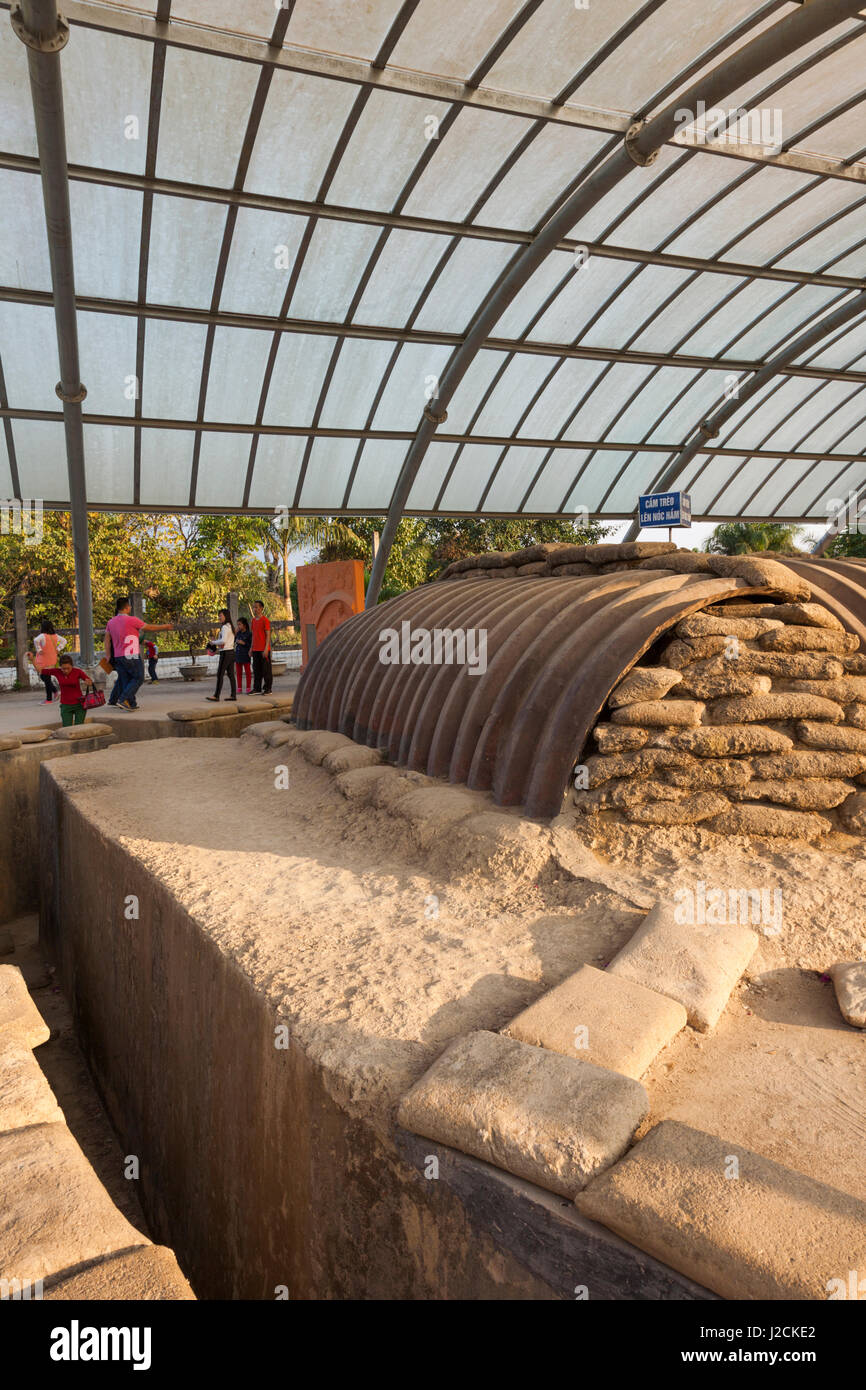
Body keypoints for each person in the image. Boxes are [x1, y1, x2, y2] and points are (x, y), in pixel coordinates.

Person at [104, 597, 174, 711]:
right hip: (131, 654)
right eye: (130, 606)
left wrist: (108, 655)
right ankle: (123, 699)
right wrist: (166, 626)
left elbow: (106, 640)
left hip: (118, 656)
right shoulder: (132, 620)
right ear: (127, 608)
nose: (130, 608)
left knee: (126, 679)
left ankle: (131, 703)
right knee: (138, 678)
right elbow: (149, 628)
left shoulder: (110, 622)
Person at [41, 653, 94, 727]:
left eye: (68, 668)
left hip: (79, 705)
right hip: (65, 706)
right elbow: (41, 671)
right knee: (67, 728)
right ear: (60, 667)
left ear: (72, 666)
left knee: (79, 728)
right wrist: (32, 660)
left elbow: (89, 680)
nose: (66, 670)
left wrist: (88, 682)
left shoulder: (77, 671)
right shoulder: (57, 672)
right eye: (63, 668)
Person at [28, 620, 67, 702]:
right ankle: (55, 691)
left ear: (43, 627)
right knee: (44, 677)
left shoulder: (42, 636)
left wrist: (39, 649)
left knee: (46, 678)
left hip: (44, 659)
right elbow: (64, 641)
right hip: (52, 658)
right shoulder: (55, 636)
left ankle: (49, 699)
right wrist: (58, 648)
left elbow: (35, 640)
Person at [206, 608, 236, 702]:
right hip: (231, 652)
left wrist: (213, 642)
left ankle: (216, 695)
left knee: (220, 674)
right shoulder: (230, 626)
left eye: (221, 615)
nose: (219, 617)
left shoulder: (224, 627)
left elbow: (223, 641)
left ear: (225, 616)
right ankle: (233, 695)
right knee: (231, 675)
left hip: (225, 653)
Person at [250, 600, 272, 695]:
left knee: (266, 670)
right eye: (254, 607)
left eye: (257, 607)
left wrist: (266, 648)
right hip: (255, 649)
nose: (255, 609)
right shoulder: (253, 620)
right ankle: (257, 688)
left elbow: (268, 635)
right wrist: (251, 648)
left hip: (263, 649)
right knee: (256, 670)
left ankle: (268, 689)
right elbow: (253, 635)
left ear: (261, 608)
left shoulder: (265, 620)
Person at [234, 617, 252, 694]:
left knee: (248, 672)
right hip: (238, 655)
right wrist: (235, 632)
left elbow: (251, 644)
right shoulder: (238, 633)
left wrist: (243, 643)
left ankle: (248, 687)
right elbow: (233, 640)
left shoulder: (249, 634)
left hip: (246, 655)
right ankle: (239, 687)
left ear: (244, 625)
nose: (238, 626)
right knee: (238, 672)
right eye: (237, 625)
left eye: (239, 625)